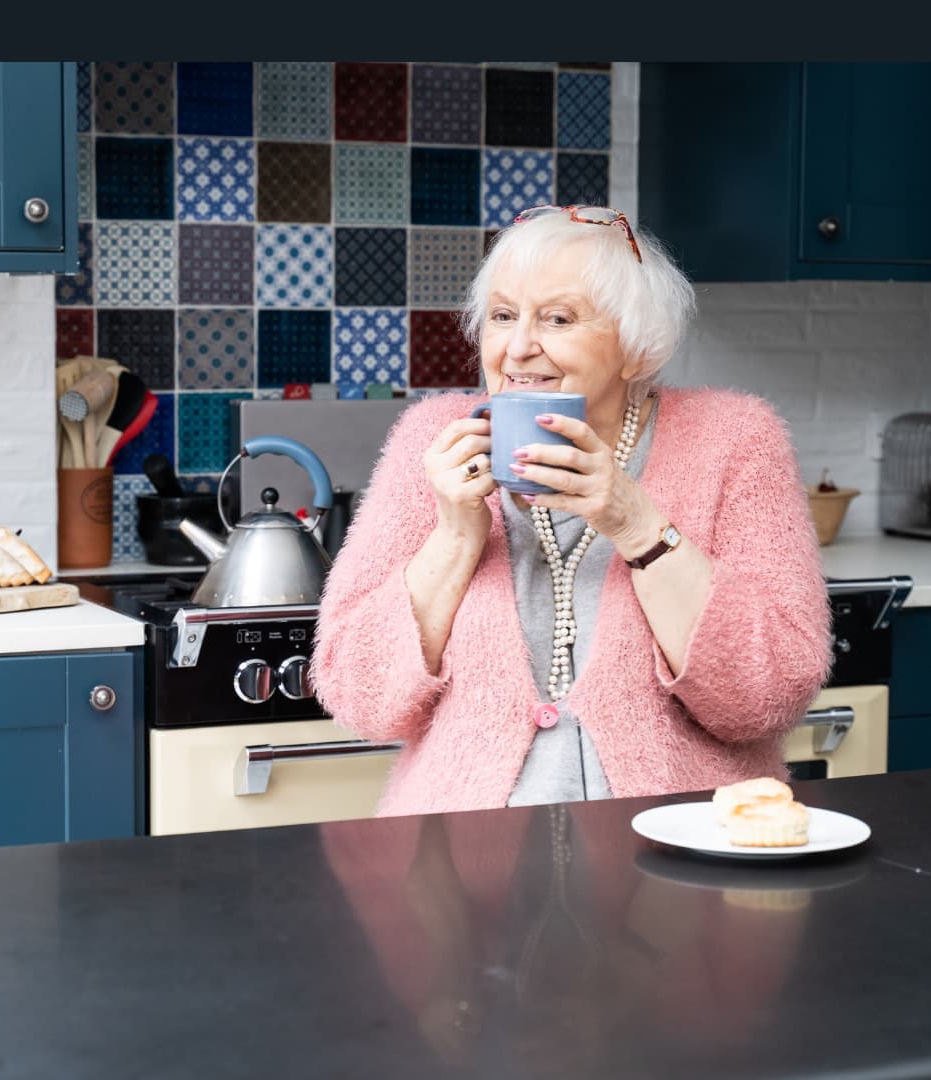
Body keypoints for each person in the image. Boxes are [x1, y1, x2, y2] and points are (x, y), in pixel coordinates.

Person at [310, 205, 831, 817]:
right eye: (503, 317)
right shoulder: (433, 439)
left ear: (636, 349)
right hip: (459, 859)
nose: (518, 347)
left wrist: (636, 523)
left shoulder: (734, 439)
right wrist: (455, 535)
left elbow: (768, 695)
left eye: (557, 319)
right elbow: (357, 695)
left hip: (678, 849)